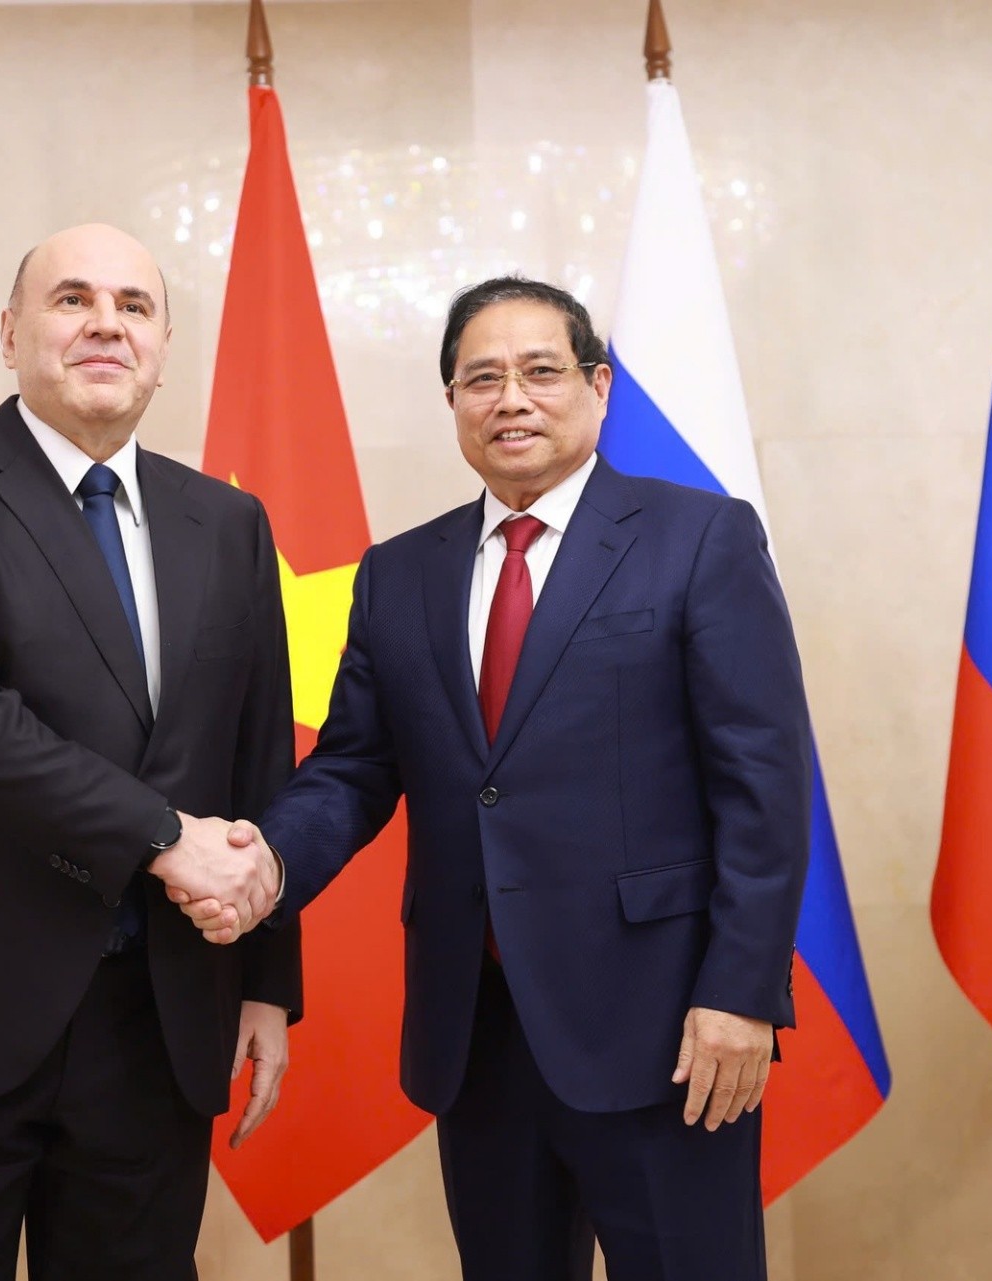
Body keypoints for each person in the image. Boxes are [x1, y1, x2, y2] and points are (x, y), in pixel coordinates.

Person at [171, 276, 811, 1281]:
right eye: (482, 378)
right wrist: (266, 864)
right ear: (453, 403)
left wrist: (742, 990)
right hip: (475, 1031)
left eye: (541, 371)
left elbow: (764, 787)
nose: (511, 398)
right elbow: (355, 767)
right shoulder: (400, 573)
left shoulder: (699, 538)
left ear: (598, 386)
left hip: (664, 1028)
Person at [0, 223, 297, 1281]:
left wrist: (265, 978)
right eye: (73, 299)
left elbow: (256, 758)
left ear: (162, 347)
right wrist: (164, 837)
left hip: (159, 1014)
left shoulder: (230, 522)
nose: (106, 324)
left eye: (134, 305)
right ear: (10, 333)